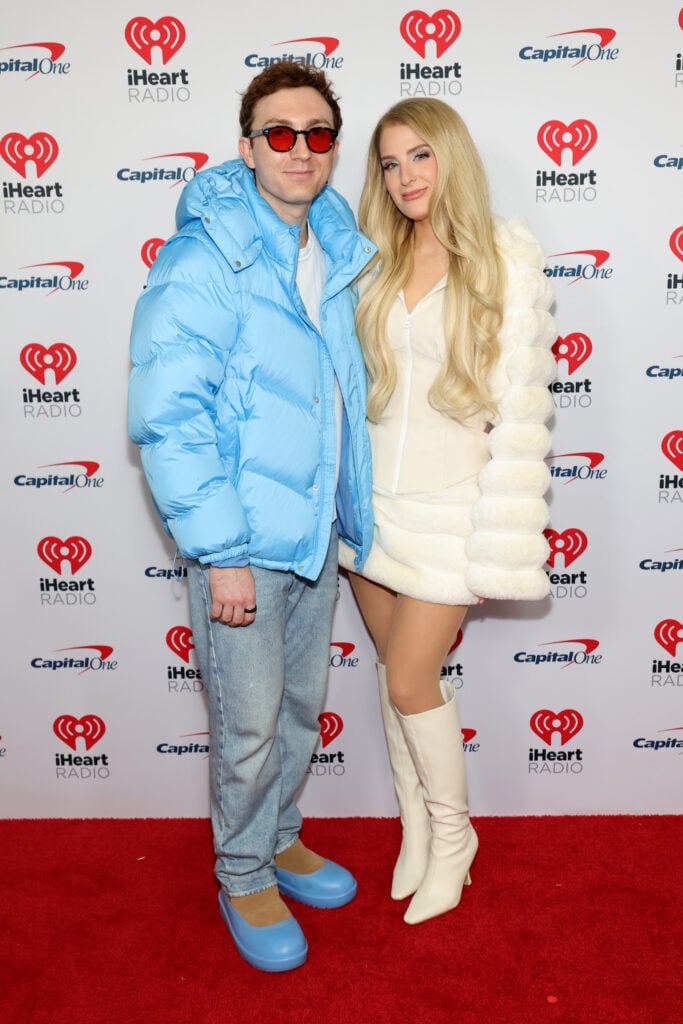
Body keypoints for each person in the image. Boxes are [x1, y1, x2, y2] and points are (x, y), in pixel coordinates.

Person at [128, 62, 376, 972]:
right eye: (279, 133)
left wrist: (349, 512)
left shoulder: (336, 246)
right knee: (248, 723)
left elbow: (337, 390)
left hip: (312, 533)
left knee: (300, 710)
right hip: (241, 544)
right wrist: (220, 553)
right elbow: (170, 417)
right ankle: (242, 874)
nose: (299, 150)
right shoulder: (205, 257)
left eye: (317, 134)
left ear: (332, 145)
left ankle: (277, 836)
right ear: (246, 146)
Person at [339, 98, 556, 925]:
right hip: (372, 511)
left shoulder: (503, 259)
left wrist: (500, 523)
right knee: (394, 681)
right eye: (389, 164)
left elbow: (517, 412)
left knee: (408, 678)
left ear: (451, 158)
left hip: (450, 508)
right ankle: (416, 835)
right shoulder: (373, 259)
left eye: (419, 157)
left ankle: (453, 835)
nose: (404, 178)